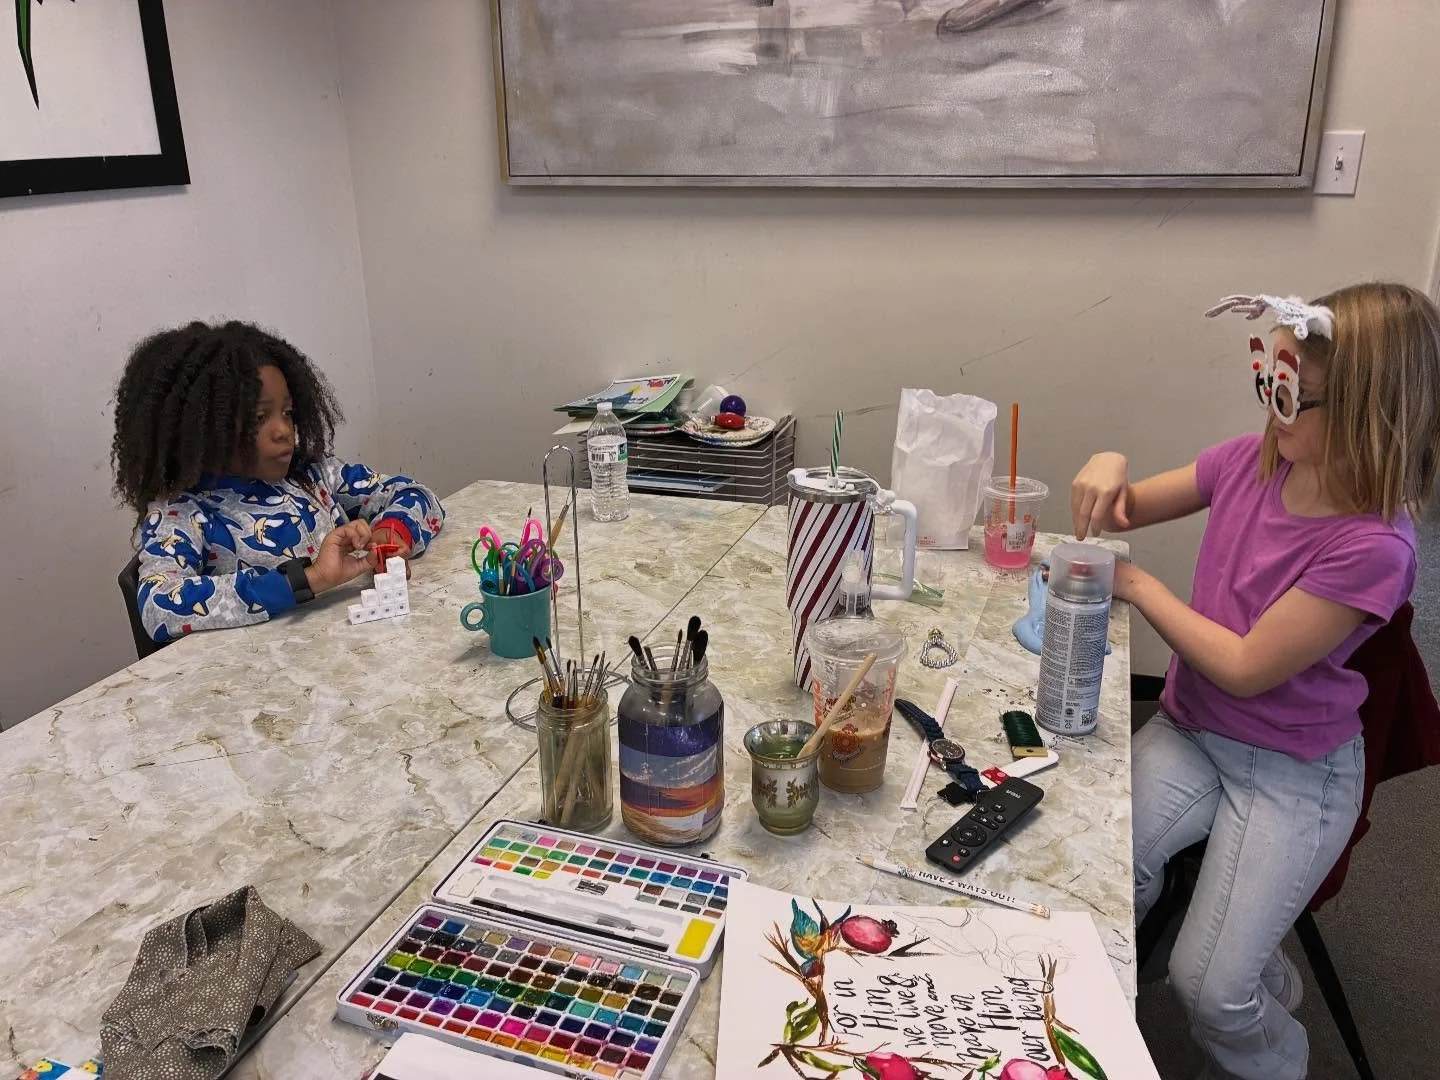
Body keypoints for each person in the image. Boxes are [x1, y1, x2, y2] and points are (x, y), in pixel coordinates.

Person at [1071, 283, 1440, 1080]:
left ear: (1367, 413)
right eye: (1266, 382)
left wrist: (1138, 587)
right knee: (1095, 875)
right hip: (1193, 730)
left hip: (1292, 772)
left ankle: (1272, 1047)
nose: (1272, 408)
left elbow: (1245, 666)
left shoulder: (1376, 547)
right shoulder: (1247, 462)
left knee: (1209, 991)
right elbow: (1124, 509)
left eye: (1290, 394)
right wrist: (1109, 464)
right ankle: (1236, 962)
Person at [112, 320, 445, 643]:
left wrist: (391, 532)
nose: (284, 430)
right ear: (203, 431)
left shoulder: (312, 475)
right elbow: (159, 605)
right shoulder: (182, 514)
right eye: (260, 418)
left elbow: (415, 494)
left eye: (287, 413)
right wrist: (309, 578)